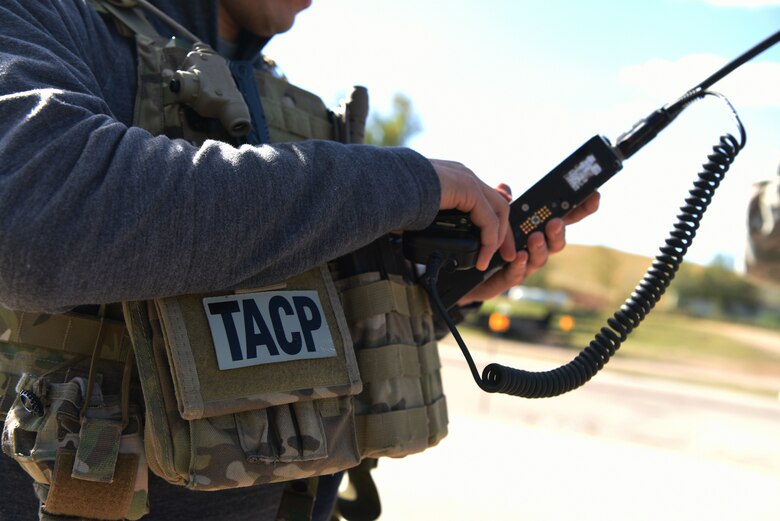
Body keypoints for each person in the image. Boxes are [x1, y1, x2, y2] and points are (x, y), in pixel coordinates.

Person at [0, 1, 600, 520]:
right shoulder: (47, 18)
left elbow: (290, 311)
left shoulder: (271, 93)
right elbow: (36, 221)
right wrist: (406, 182)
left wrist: (449, 288)